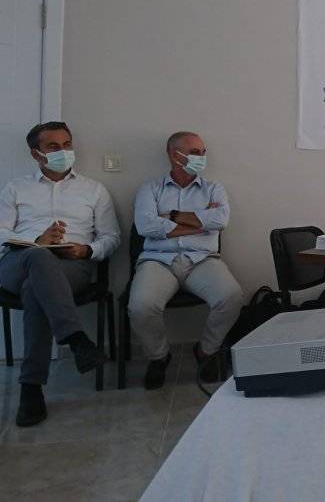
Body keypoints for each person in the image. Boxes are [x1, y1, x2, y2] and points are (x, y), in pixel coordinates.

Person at [0, 122, 120, 427]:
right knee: (37, 258)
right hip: (18, 261)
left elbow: (111, 237)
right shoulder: (15, 188)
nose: (63, 151)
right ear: (36, 154)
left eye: (67, 144)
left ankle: (31, 387)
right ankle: (76, 338)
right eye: (53, 147)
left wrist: (87, 250)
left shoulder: (94, 190)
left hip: (71, 266)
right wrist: (35, 241)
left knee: (35, 290)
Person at [129, 132, 244, 390]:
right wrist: (199, 223)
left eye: (203, 152)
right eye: (194, 152)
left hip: (202, 260)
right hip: (158, 260)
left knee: (231, 297)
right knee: (140, 306)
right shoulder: (150, 189)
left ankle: (205, 351)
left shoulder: (214, 189)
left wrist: (170, 216)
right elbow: (146, 226)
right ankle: (159, 356)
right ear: (174, 154)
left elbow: (220, 220)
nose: (201, 157)